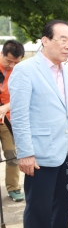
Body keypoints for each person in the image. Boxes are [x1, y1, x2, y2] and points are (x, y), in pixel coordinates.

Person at [9, 20, 68, 228]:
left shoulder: (66, 71)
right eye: (63, 39)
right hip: (39, 156)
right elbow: (19, 116)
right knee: (39, 211)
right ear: (45, 41)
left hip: (66, 152)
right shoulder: (25, 70)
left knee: (62, 209)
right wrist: (25, 153)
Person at [0, 40, 25, 202]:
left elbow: (22, 96)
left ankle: (14, 187)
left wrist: (5, 108)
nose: (12, 65)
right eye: (9, 61)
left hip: (8, 119)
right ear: (1, 54)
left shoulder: (20, 72)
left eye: (16, 62)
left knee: (12, 154)